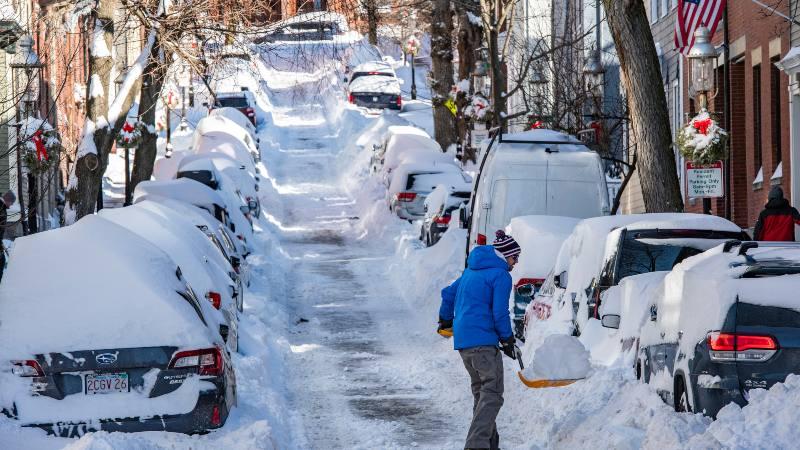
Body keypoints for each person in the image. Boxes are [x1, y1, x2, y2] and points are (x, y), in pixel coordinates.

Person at [438, 230, 521, 450]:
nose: (516, 262)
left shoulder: (471, 271)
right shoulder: (501, 276)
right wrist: (508, 339)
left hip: (465, 343)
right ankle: (476, 446)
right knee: (492, 394)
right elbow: (499, 312)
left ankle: (491, 445)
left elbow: (448, 294)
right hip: (483, 343)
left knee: (482, 394)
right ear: (505, 256)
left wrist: (445, 320)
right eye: (515, 257)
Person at [0, 191, 16, 281]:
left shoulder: (2, 207)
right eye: (11, 203)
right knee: (1, 263)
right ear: (7, 200)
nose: (11, 206)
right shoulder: (1, 208)